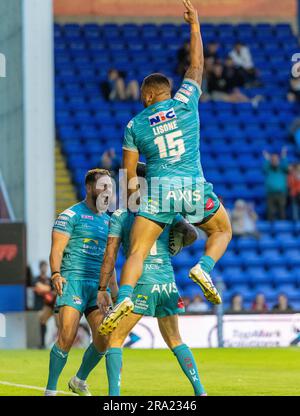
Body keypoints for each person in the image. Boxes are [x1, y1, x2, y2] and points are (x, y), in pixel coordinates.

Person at [98, 0, 232, 336]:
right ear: (168, 92)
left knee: (139, 250)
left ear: (146, 97)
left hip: (158, 193)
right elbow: (197, 66)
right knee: (222, 230)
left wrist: (134, 208)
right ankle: (204, 267)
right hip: (193, 188)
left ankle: (125, 298)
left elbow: (129, 176)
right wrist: (195, 25)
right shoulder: (185, 101)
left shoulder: (134, 125)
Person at [96, 163, 207, 396]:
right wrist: (175, 245)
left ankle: (114, 398)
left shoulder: (123, 214)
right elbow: (192, 234)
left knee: (114, 339)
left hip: (142, 281)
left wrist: (103, 287)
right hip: (167, 281)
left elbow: (110, 255)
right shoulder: (166, 209)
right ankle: (200, 391)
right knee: (176, 340)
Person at [45, 168, 117, 396]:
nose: (108, 192)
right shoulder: (70, 215)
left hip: (97, 288)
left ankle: (78, 380)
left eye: (110, 187)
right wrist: (56, 273)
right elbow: (56, 249)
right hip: (73, 282)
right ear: (89, 188)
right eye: (103, 186)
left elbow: (110, 260)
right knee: (66, 336)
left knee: (104, 339)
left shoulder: (109, 222)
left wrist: (112, 291)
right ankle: (50, 390)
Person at [33, 260, 57, 349]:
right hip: (46, 305)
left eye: (46, 266)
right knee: (42, 320)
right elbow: (39, 288)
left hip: (55, 304)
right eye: (43, 266)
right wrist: (50, 290)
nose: (45, 268)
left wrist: (47, 290)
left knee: (58, 324)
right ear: (40, 268)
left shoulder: (50, 278)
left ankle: (60, 345)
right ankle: (42, 344)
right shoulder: (36, 278)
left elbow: (55, 290)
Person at [263, 148, 289, 221]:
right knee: (270, 211)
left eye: (276, 159)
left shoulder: (282, 169)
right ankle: (270, 227)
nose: (274, 161)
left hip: (281, 193)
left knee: (282, 210)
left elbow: (286, 167)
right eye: (273, 159)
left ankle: (283, 226)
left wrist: (284, 157)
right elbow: (264, 168)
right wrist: (267, 159)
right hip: (270, 193)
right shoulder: (268, 169)